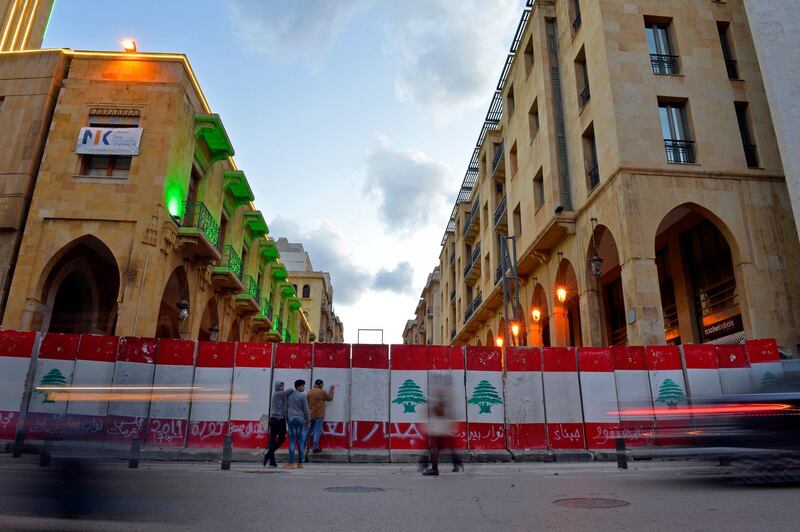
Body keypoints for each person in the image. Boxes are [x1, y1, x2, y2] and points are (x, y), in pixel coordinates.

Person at [422, 387, 463, 476]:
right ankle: (457, 463)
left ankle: (434, 469)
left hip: (439, 426)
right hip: (443, 425)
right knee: (444, 447)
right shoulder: (446, 402)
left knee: (435, 448)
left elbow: (439, 412)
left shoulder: (440, 403)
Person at [264, 381, 293, 468]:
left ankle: (268, 454)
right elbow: (291, 390)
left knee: (282, 439)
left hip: (282, 421)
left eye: (283, 386)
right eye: (280, 386)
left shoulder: (281, 395)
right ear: (277, 386)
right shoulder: (277, 394)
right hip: (275, 420)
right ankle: (272, 461)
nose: (282, 387)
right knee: (272, 440)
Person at [284, 379, 310, 469]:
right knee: (300, 441)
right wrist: (308, 421)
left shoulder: (289, 396)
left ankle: (291, 463)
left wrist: (287, 419)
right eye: (303, 385)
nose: (304, 387)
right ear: (298, 386)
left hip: (291, 419)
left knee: (291, 441)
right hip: (300, 420)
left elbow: (285, 409)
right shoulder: (303, 396)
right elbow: (306, 410)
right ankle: (300, 463)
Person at [305, 379, 336, 454]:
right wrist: (331, 390)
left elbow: (307, 403)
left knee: (307, 430)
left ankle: (302, 445)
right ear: (321, 385)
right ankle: (315, 448)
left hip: (311, 414)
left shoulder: (309, 392)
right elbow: (329, 398)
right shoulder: (321, 392)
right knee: (317, 431)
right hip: (319, 415)